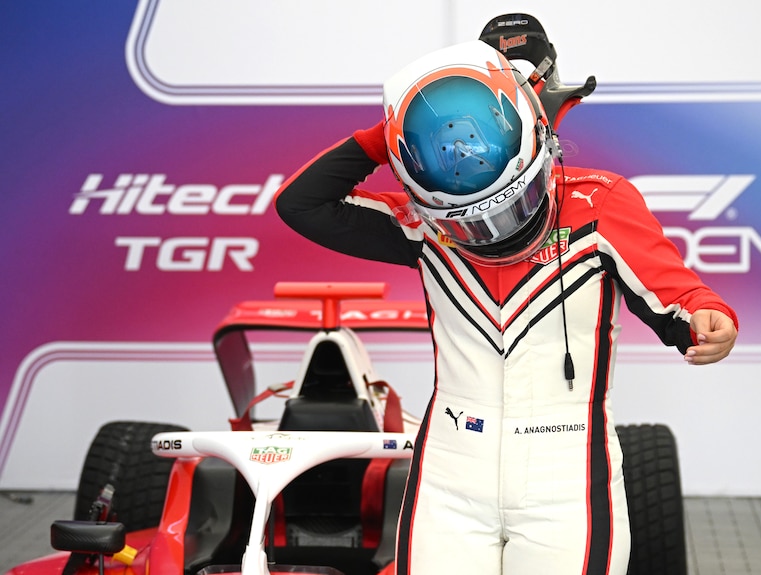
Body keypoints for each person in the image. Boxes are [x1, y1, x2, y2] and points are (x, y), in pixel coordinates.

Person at [275, 39, 737, 575]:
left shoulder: (600, 202)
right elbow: (300, 203)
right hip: (448, 467)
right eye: (467, 221)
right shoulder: (420, 223)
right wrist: (396, 133)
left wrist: (709, 317)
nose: (487, 233)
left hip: (567, 472)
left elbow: (679, 296)